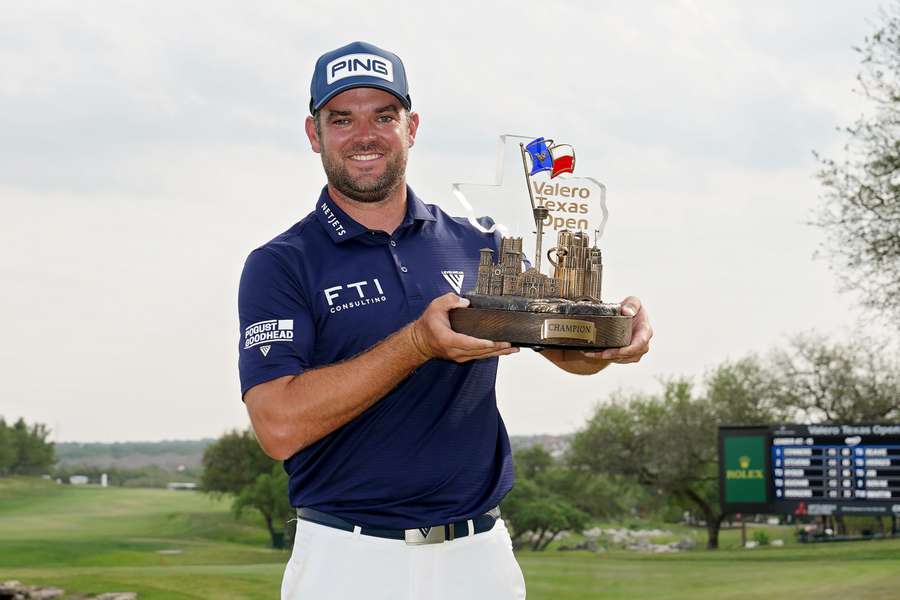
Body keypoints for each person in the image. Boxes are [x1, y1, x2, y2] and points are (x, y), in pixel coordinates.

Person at [237, 41, 652, 600]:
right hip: (348, 560)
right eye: (342, 119)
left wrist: (612, 339)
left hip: (479, 557)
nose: (366, 134)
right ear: (315, 135)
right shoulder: (281, 264)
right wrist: (416, 343)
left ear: (412, 127)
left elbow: (560, 345)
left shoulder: (476, 244)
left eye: (385, 116)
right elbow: (278, 426)